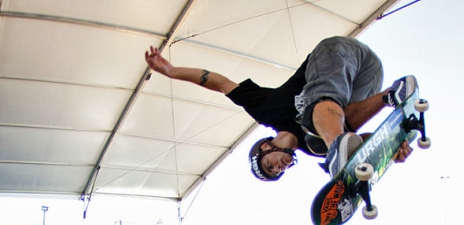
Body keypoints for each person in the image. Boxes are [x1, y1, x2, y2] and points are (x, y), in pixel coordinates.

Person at [144, 36, 415, 181]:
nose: (280, 168)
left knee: (316, 117)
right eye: (278, 172)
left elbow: (221, 83)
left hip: (336, 53)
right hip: (369, 81)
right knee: (332, 132)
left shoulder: (266, 111)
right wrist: (388, 150)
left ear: (264, 148)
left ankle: (340, 145)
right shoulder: (313, 148)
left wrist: (171, 71)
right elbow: (360, 142)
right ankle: (392, 96)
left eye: (271, 167)